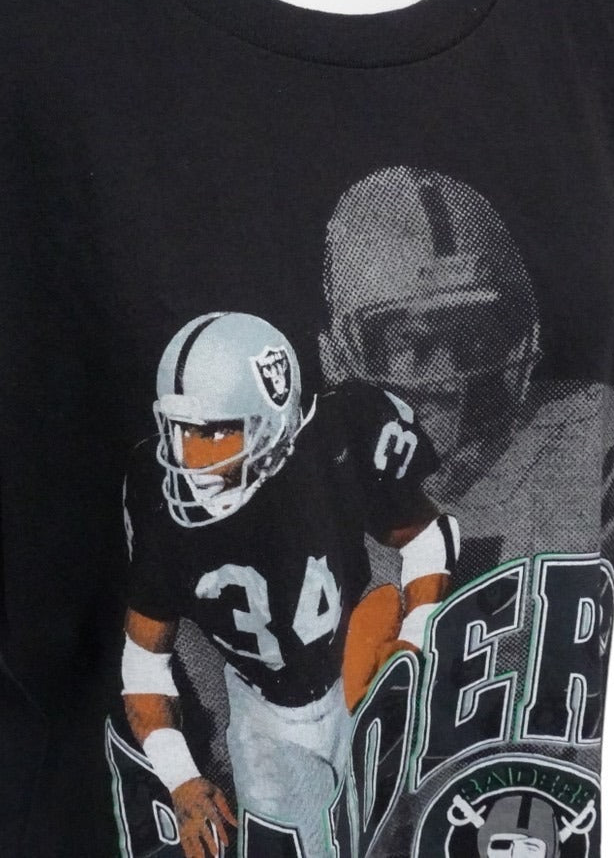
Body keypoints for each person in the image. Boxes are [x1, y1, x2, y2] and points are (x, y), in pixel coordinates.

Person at [118, 311, 459, 858]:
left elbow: (427, 537)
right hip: (264, 718)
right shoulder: (161, 506)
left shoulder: (336, 440)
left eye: (215, 432)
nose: (191, 460)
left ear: (273, 420)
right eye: (181, 431)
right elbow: (144, 661)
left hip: (362, 671)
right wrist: (181, 778)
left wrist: (416, 639)